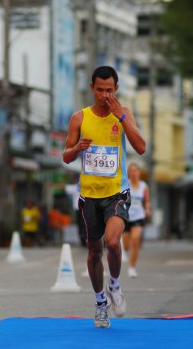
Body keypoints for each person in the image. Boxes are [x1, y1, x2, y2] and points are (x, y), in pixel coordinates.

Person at [63, 66, 146, 328]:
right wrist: (77, 148)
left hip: (116, 193)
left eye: (109, 90)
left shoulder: (123, 114)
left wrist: (121, 117)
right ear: (92, 88)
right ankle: (100, 303)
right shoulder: (79, 118)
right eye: (100, 89)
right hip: (89, 195)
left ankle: (115, 285)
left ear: (116, 89)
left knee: (112, 242)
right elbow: (66, 156)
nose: (104, 95)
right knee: (94, 250)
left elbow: (141, 148)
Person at [123, 163, 150, 278]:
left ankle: (132, 267)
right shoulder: (125, 184)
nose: (133, 173)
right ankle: (124, 248)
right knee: (126, 246)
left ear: (139, 172)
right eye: (131, 171)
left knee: (135, 240)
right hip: (125, 216)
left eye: (135, 171)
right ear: (128, 173)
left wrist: (148, 209)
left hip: (138, 216)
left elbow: (147, 200)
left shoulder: (144, 186)